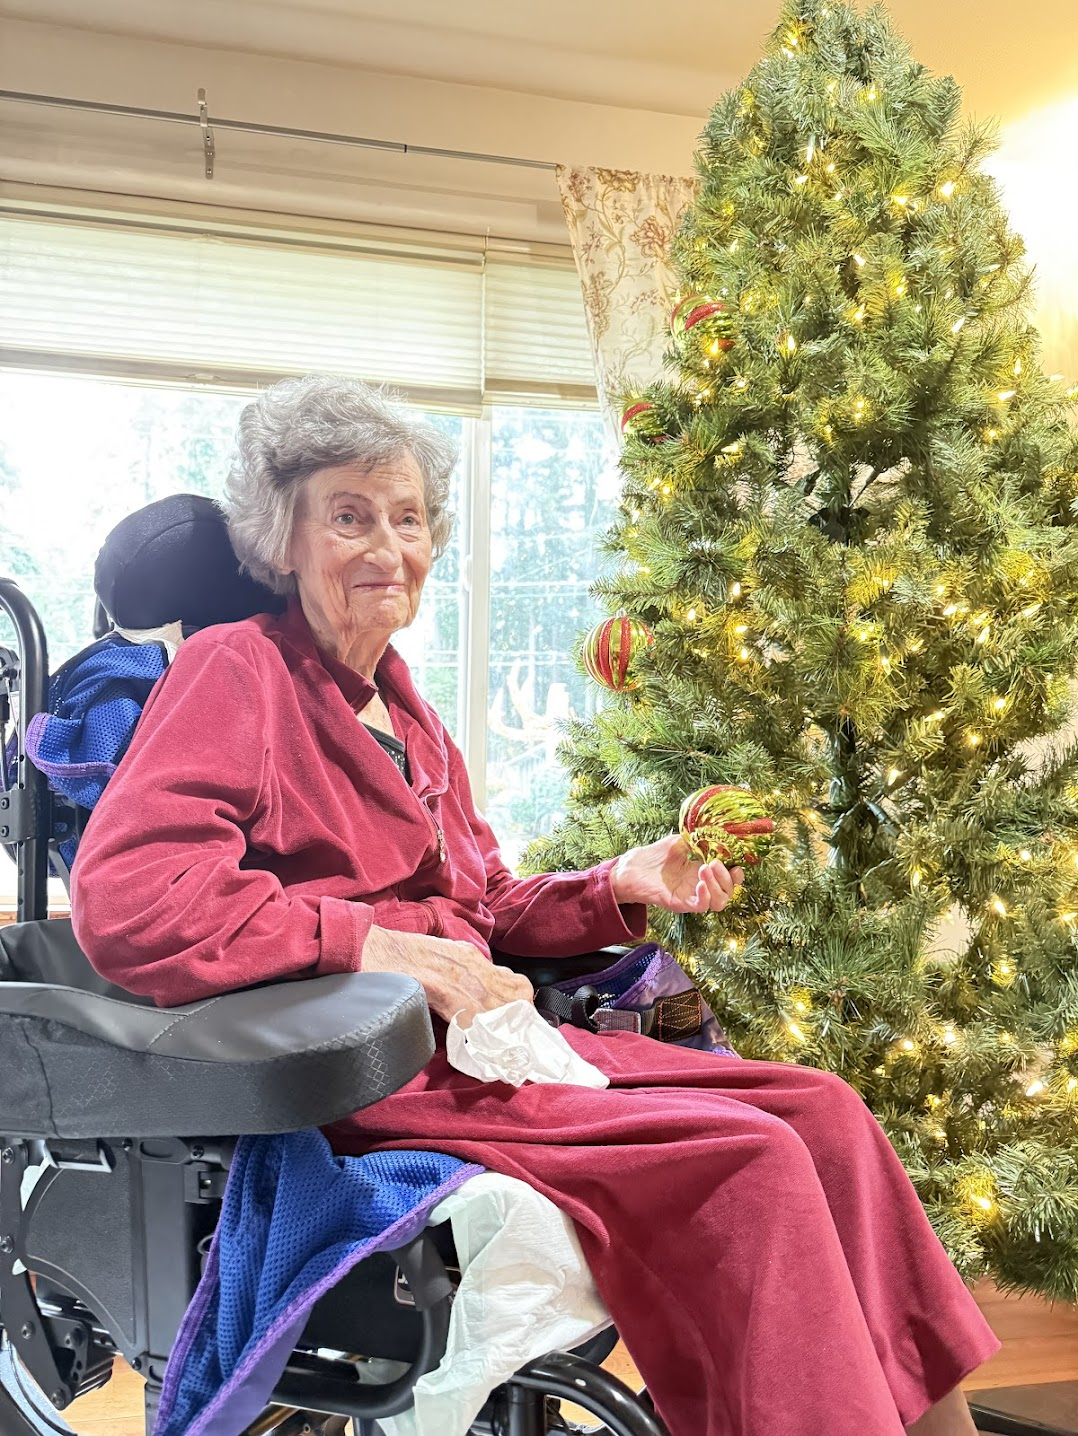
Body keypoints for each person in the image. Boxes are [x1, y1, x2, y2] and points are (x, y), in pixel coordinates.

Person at [72, 375, 999, 1436]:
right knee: (750, 1162)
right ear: (283, 537)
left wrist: (621, 883)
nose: (388, 546)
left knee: (824, 1112)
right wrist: (371, 944)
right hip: (365, 1064)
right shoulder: (235, 668)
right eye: (349, 515)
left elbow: (484, 902)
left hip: (493, 1038)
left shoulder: (405, 707)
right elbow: (134, 898)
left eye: (408, 516)